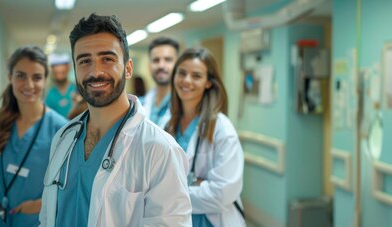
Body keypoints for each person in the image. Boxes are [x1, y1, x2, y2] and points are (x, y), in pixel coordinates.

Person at [39, 13, 192, 227]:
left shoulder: (159, 149)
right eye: (84, 61)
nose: (95, 71)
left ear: (128, 68)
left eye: (107, 59)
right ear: (75, 69)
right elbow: (47, 216)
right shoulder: (63, 139)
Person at [0, 46, 68, 227]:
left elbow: (72, 190)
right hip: (1, 221)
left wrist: (40, 205)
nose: (29, 85)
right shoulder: (0, 123)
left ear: (45, 81)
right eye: (21, 76)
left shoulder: (61, 129)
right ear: (10, 78)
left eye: (37, 77)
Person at [165, 47, 245, 227]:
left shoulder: (222, 129)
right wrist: (197, 184)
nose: (187, 81)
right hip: (175, 219)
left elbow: (222, 194)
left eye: (196, 76)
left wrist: (170, 192)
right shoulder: (168, 124)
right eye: (182, 73)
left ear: (208, 82)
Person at [140, 37, 179, 129]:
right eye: (156, 60)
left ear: (178, 64)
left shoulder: (186, 106)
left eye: (168, 59)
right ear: (149, 65)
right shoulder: (140, 104)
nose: (161, 65)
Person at [45, 53, 76, 119]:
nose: (59, 75)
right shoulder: (50, 94)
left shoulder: (77, 89)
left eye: (62, 72)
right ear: (52, 70)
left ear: (68, 68)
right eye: (57, 73)